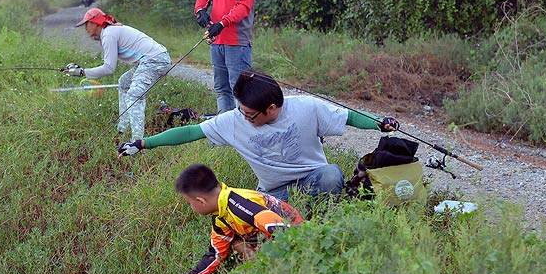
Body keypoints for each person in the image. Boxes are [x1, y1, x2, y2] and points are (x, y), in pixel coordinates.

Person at [118, 70, 400, 202]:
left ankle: (321, 219)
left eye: (251, 115)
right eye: (241, 111)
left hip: (314, 179)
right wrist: (143, 143)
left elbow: (347, 116)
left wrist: (378, 123)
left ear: (272, 108)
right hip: (274, 193)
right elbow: (192, 131)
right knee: (245, 211)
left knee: (331, 174)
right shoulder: (233, 120)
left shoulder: (306, 108)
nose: (244, 118)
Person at [161, 163, 303, 274]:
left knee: (240, 244)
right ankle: (266, 270)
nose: (191, 207)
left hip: (295, 233)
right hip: (271, 236)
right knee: (234, 243)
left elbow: (280, 227)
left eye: (189, 203)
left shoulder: (240, 206)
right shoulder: (221, 212)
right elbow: (215, 255)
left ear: (201, 201)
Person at [63, 7, 173, 140]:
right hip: (154, 59)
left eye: (86, 25)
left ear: (94, 23)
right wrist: (82, 71)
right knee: (124, 83)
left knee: (134, 96)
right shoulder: (109, 32)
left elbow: (109, 68)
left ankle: (137, 142)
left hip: (154, 60)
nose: (85, 30)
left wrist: (82, 72)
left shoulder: (108, 34)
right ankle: (123, 129)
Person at [195, 0, 259, 113]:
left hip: (237, 43)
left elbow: (244, 6)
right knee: (221, 89)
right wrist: (200, 11)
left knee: (239, 90)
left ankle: (242, 135)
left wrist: (222, 23)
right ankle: (225, 135)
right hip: (216, 41)